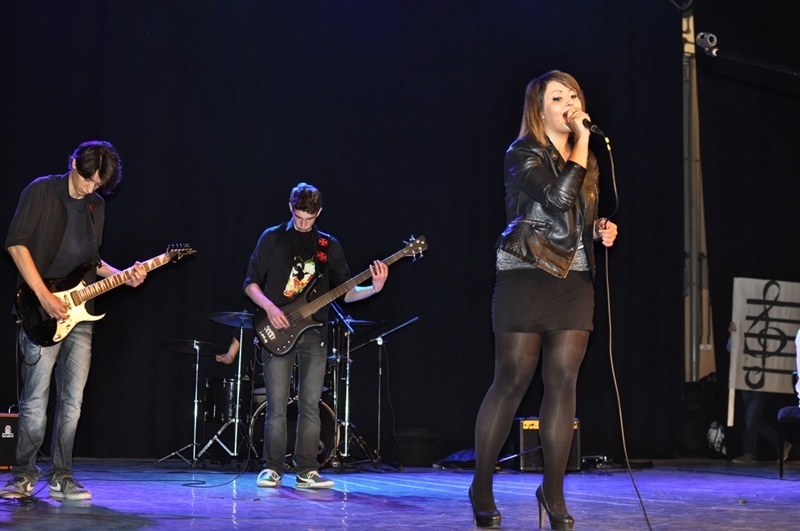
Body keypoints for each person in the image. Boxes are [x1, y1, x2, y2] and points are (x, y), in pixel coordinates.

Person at [469, 71, 618, 529]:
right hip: (526, 272)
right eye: (558, 97)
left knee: (563, 382)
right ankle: (481, 485)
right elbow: (555, 198)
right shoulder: (522, 153)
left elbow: (576, 213)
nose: (569, 102)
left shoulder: (588, 159)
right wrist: (581, 141)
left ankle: (553, 490)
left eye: (573, 94)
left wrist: (598, 228)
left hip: (574, 278)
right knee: (511, 380)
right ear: (539, 110)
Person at [0, 141, 148, 501]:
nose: (90, 188)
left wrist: (124, 275)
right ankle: (23, 475)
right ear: (73, 164)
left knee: (72, 402)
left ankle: (61, 475)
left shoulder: (96, 205)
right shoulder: (41, 191)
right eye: (87, 179)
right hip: (39, 309)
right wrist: (44, 296)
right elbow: (16, 245)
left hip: (80, 314)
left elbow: (92, 262)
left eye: (98, 184)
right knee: (35, 400)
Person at [243, 182, 388, 489]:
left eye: (309, 218)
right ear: (290, 208)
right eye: (298, 217)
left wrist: (374, 288)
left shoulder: (328, 245)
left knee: (310, 404)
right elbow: (250, 283)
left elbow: (346, 293)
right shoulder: (271, 237)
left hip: (314, 333)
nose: (303, 223)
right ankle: (272, 468)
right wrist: (269, 307)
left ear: (319, 213)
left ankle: (307, 471)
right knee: (276, 405)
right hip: (276, 327)